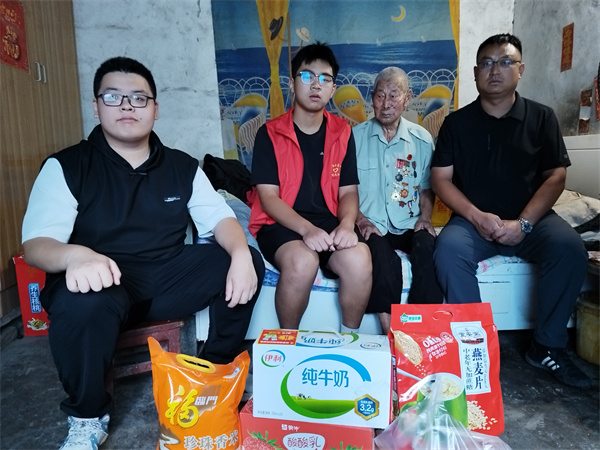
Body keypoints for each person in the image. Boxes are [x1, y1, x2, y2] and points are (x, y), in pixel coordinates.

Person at [21, 56, 265, 449]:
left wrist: (238, 253)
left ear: (155, 108)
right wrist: (75, 256)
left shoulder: (182, 166)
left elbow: (221, 219)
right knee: (81, 301)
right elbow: (36, 245)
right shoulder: (67, 166)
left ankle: (212, 372)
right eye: (113, 97)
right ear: (96, 105)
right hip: (102, 283)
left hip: (166, 277)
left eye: (138, 98)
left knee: (244, 260)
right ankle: (87, 417)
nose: (127, 106)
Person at [431, 34, 590, 388]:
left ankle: (547, 346)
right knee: (448, 250)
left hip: (531, 220)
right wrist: (476, 217)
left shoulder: (542, 117)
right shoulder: (457, 124)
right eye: (486, 63)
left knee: (569, 248)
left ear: (521, 69)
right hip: (473, 222)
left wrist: (523, 223)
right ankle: (472, 346)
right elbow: (440, 179)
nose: (495, 70)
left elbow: (556, 176)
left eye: (505, 62)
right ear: (475, 72)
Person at [248, 42, 371, 332]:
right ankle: (289, 343)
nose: (316, 85)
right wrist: (307, 230)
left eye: (325, 79)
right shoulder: (270, 133)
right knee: (303, 261)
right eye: (307, 76)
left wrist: (346, 225)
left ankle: (349, 341)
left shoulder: (342, 132)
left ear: (333, 88)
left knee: (359, 258)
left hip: (327, 220)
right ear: (292, 84)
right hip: (280, 222)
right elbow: (268, 198)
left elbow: (348, 191)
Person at [353, 67, 443, 333]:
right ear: (372, 98)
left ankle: (421, 329)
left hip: (409, 221)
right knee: (383, 259)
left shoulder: (421, 139)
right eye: (380, 95)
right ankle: (390, 333)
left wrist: (425, 218)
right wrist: (360, 220)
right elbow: (343, 189)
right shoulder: (353, 138)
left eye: (394, 95)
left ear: (408, 98)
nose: (386, 103)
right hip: (371, 222)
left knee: (428, 250)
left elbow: (426, 188)